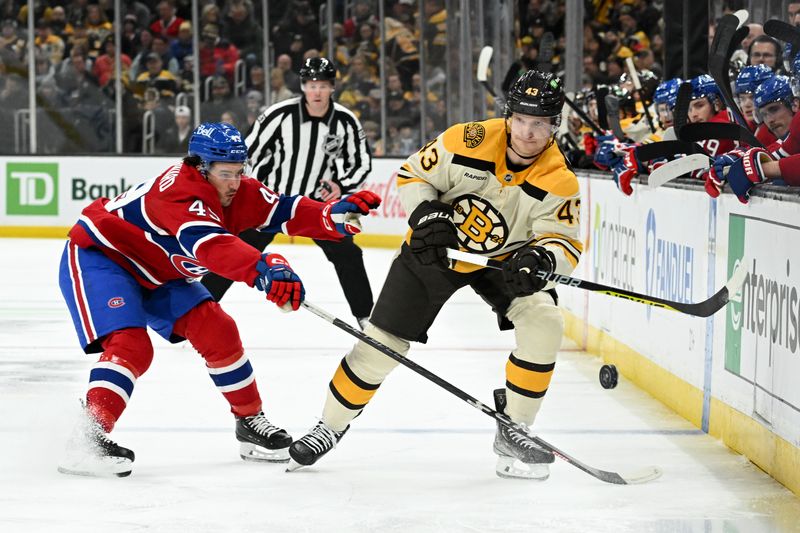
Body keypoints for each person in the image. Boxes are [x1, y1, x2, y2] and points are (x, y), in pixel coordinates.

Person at [287, 70, 583, 481]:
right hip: (435, 252)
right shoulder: (469, 138)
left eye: (539, 124)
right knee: (380, 345)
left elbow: (564, 242)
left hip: (503, 261)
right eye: (520, 119)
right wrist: (427, 212)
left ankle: (516, 426)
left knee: (545, 321)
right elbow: (413, 176)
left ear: (554, 127)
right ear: (508, 115)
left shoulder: (560, 180)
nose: (527, 132)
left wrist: (543, 261)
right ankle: (329, 426)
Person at [57, 122, 381, 477]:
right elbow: (213, 248)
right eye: (226, 173)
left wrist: (328, 215)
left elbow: (283, 210)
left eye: (239, 172)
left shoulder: (235, 190)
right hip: (105, 258)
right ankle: (86, 440)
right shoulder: (180, 194)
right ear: (200, 167)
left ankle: (248, 422)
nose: (234, 182)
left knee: (218, 329)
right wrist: (263, 268)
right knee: (132, 346)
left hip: (161, 272)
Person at [201, 57, 375, 329]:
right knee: (237, 252)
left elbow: (361, 162)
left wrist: (341, 184)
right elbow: (248, 151)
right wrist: (244, 187)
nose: (317, 91)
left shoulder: (345, 121)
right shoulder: (279, 114)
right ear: (303, 86)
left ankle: (366, 317)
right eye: (311, 85)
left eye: (323, 85)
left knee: (348, 254)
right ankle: (201, 308)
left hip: (314, 208)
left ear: (332, 87)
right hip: (271, 205)